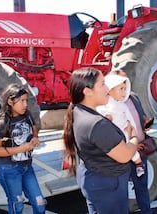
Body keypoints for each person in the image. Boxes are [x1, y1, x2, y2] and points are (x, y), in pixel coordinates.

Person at [62, 67, 139, 214]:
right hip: (107, 184)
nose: (107, 88)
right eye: (102, 84)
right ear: (87, 91)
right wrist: (133, 137)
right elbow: (125, 155)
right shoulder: (96, 124)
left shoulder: (78, 111)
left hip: (96, 179)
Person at [0, 83, 46, 214]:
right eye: (21, 101)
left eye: (26, 100)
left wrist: (35, 138)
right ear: (10, 101)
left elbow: (34, 129)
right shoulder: (3, 123)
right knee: (17, 205)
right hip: (9, 170)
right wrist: (21, 149)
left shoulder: (27, 115)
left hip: (27, 167)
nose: (25, 104)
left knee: (40, 203)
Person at [111, 69, 152, 214]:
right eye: (121, 84)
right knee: (121, 192)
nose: (125, 86)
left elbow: (141, 116)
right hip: (124, 154)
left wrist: (145, 122)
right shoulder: (110, 106)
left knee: (142, 186)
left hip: (141, 149)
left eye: (126, 83)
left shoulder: (133, 97)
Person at [97, 74, 146, 177]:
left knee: (132, 151)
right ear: (110, 90)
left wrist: (133, 131)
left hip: (125, 131)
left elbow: (130, 119)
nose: (124, 92)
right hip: (114, 136)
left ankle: (139, 165)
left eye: (125, 89)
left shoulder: (122, 105)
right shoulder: (102, 106)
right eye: (121, 89)